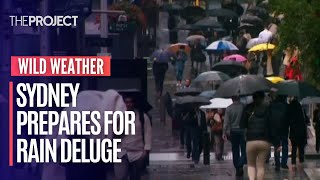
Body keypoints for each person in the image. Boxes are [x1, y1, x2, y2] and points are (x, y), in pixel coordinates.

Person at [240, 91, 280, 180]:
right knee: (260, 166)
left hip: (250, 141)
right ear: (262, 98)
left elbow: (242, 125)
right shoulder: (268, 108)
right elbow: (272, 126)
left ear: (253, 98)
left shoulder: (248, 108)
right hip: (264, 141)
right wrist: (277, 143)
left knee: (251, 165)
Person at [114, 95, 152, 180]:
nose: (128, 104)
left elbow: (147, 132)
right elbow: (111, 133)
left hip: (137, 152)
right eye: (126, 102)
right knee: (120, 176)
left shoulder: (142, 117)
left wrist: (146, 150)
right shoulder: (117, 116)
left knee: (135, 177)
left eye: (130, 102)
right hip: (121, 152)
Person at [223, 96, 246, 176]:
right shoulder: (244, 106)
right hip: (243, 131)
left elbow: (226, 122)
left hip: (233, 131)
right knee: (244, 149)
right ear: (239, 98)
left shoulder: (229, 108)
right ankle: (241, 164)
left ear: (232, 98)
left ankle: (237, 166)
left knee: (235, 150)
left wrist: (224, 133)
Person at [269, 94, 290, 171]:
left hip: (275, 130)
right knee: (285, 145)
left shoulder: (272, 105)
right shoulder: (287, 106)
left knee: (276, 146)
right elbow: (289, 118)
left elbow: (269, 118)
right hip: (284, 129)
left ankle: (277, 164)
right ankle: (284, 163)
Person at [288, 97, 308, 169]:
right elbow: (306, 120)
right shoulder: (302, 109)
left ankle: (293, 163)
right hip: (301, 131)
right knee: (301, 147)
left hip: (293, 131)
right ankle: (301, 161)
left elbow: (288, 120)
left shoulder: (290, 109)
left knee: (294, 147)